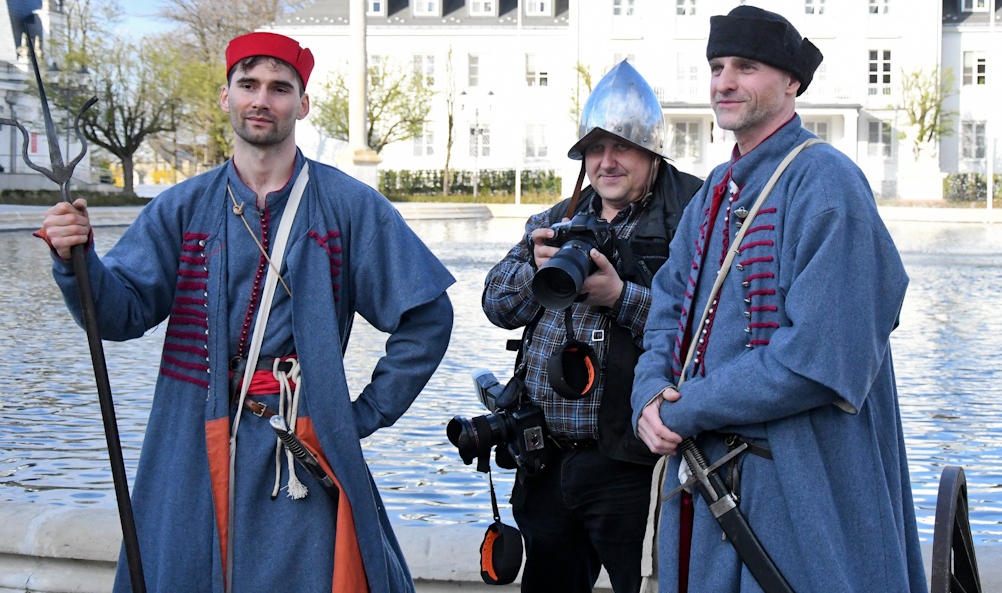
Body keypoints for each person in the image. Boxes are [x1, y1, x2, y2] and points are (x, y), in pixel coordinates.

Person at [38, 32, 455, 593]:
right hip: (191, 433)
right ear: (226, 97)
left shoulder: (349, 206)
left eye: (280, 88)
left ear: (303, 105)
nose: (262, 99)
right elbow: (122, 312)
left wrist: (360, 415)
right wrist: (78, 260)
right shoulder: (182, 207)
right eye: (248, 84)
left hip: (300, 442)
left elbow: (427, 318)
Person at [632, 6, 926, 593]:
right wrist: (648, 395)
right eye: (717, 67)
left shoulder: (827, 182)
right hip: (709, 483)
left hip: (801, 484)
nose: (724, 82)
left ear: (792, 82)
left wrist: (683, 409)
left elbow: (820, 357)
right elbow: (668, 308)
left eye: (746, 67)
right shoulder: (717, 190)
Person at [482, 60, 702, 593]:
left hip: (633, 466)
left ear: (652, 152)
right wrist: (535, 273)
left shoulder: (691, 219)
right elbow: (496, 305)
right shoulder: (556, 220)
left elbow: (705, 328)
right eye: (595, 149)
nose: (607, 161)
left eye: (621, 147)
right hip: (546, 460)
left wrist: (620, 297)